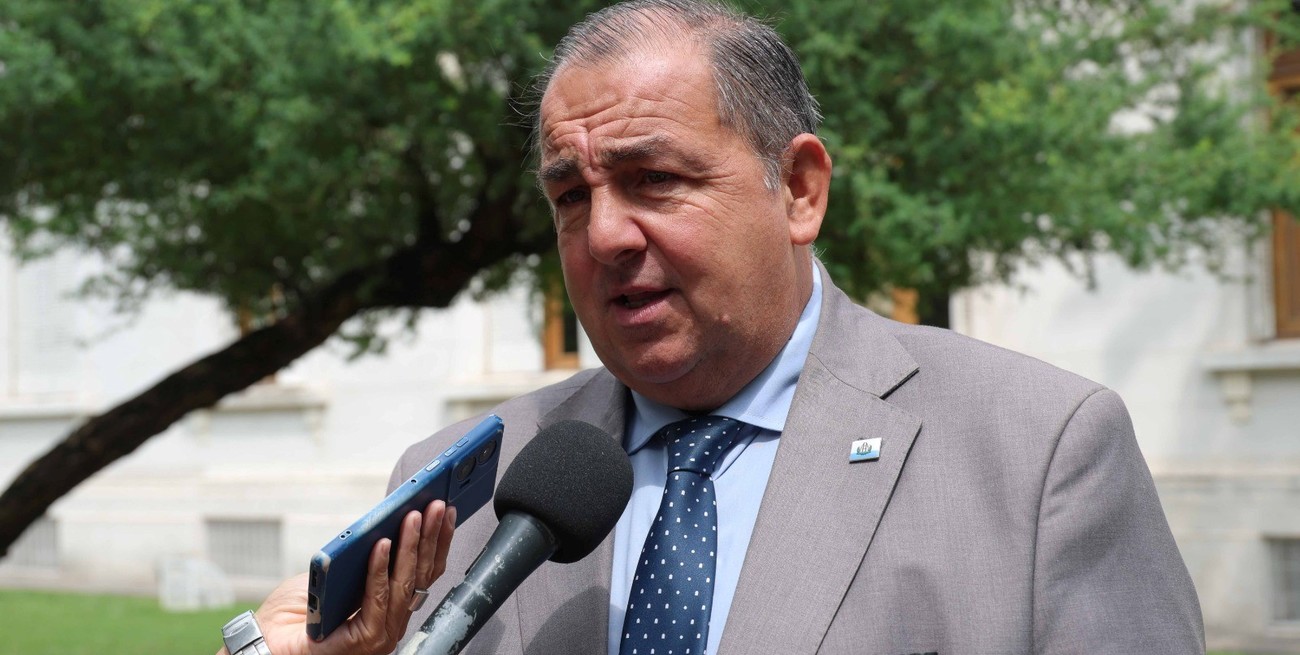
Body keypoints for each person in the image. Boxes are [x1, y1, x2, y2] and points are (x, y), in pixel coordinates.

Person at [225, 1, 1205, 653]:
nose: (605, 235)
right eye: (571, 196)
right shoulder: (466, 489)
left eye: (653, 179)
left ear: (800, 189)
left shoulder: (1038, 454)